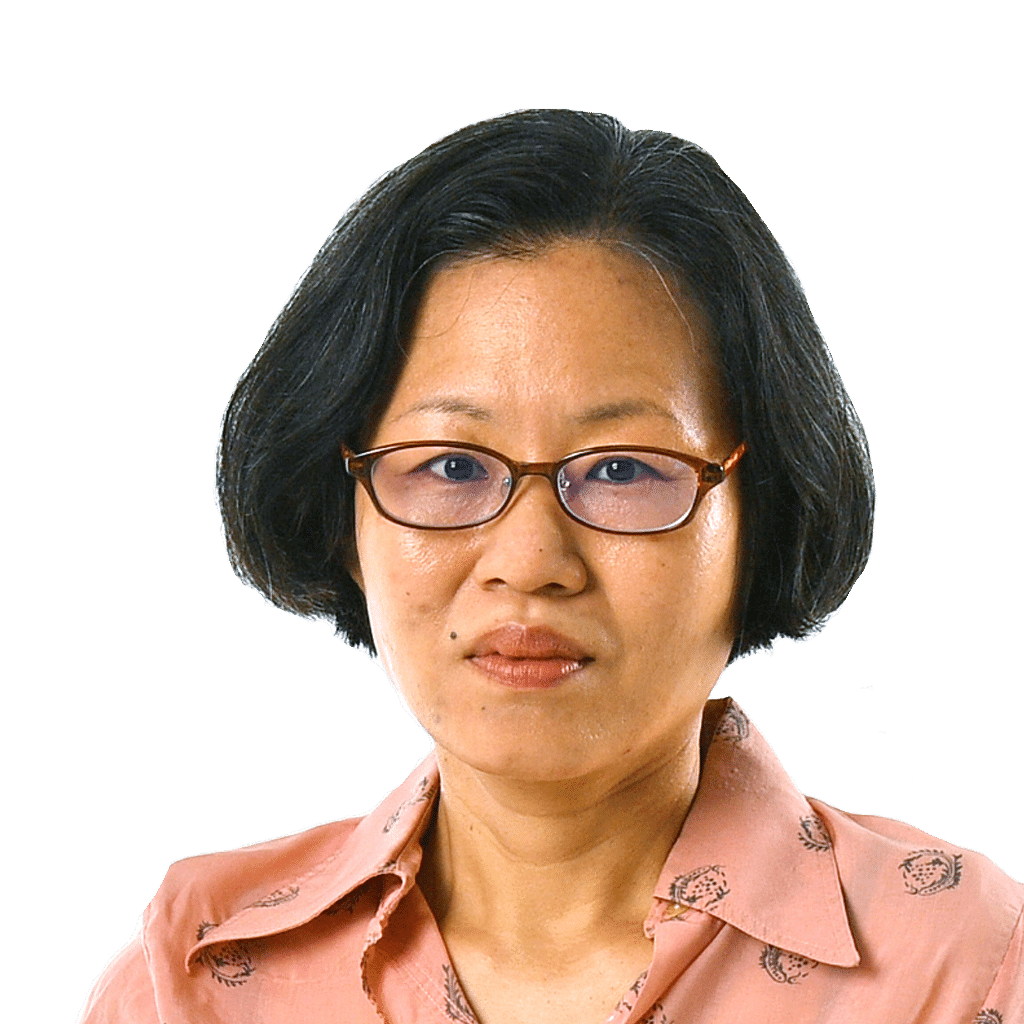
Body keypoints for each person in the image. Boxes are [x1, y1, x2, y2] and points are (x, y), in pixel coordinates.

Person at [77, 109, 1022, 1024]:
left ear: (761, 514)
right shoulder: (193, 981)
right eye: (452, 466)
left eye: (622, 470)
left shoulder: (968, 969)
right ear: (343, 514)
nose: (530, 563)